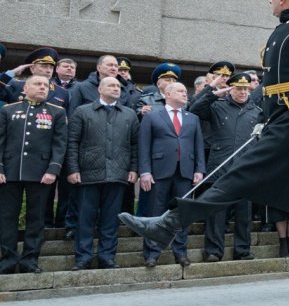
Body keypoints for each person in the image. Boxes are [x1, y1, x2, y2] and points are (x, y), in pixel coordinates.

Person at [120, 0, 289, 293]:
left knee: (240, 173)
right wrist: (266, 116)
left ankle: (169, 223)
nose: (269, 1)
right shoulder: (283, 30)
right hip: (281, 118)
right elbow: (275, 84)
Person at [66, 76, 139, 270]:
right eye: (111, 85)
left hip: (117, 174)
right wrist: (72, 169)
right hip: (88, 174)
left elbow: (134, 145)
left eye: (118, 86)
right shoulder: (82, 112)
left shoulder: (129, 114)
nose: (116, 88)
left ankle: (107, 257)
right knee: (85, 218)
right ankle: (83, 257)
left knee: (110, 219)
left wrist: (133, 169)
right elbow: (72, 142)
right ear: (100, 88)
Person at [187, 72, 260, 262]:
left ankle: (242, 250)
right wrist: (212, 91)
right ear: (230, 89)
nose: (243, 92)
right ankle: (213, 251)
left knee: (244, 214)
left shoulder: (256, 111)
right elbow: (194, 109)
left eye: (246, 89)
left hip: (245, 169)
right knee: (216, 213)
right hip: (220, 166)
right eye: (238, 88)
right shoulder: (217, 107)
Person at [0, 75, 67, 274]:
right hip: (10, 172)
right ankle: (8, 260)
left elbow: (60, 144)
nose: (42, 88)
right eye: (37, 84)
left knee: (36, 219)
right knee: (6, 217)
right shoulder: (8, 110)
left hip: (41, 174)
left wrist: (53, 169)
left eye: (45, 85)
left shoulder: (57, 112)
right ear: (25, 88)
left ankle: (30, 260)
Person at [137, 82, 205, 267]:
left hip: (185, 173)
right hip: (158, 172)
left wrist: (199, 170)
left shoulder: (192, 118)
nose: (185, 94)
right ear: (168, 93)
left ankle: (180, 252)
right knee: (155, 214)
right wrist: (144, 171)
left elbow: (198, 145)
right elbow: (143, 146)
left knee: (182, 214)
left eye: (186, 91)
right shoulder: (151, 116)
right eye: (181, 91)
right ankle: (152, 254)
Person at [70, 54, 139, 109]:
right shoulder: (81, 87)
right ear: (99, 67)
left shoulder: (126, 88)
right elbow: (73, 114)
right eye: (110, 65)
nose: (114, 68)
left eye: (116, 66)